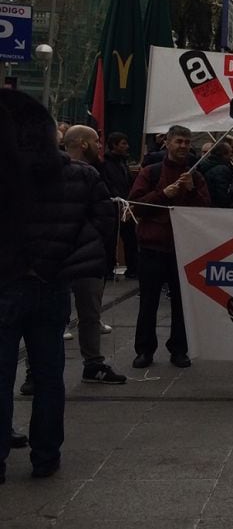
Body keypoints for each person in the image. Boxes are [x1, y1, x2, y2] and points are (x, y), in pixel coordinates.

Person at [0, 90, 114, 481]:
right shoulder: (81, 176)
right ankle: (45, 455)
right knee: (50, 375)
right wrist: (67, 259)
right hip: (51, 285)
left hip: (6, 284)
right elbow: (103, 225)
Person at [129, 125, 210, 369]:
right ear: (168, 143)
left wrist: (192, 191)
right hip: (153, 248)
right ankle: (144, 350)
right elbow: (136, 206)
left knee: (181, 303)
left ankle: (179, 349)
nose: (183, 146)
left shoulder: (195, 176)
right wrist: (163, 194)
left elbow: (206, 210)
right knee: (148, 303)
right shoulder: (150, 172)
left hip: (183, 249)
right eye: (179, 142)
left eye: (187, 142)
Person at [60, 127, 126, 385]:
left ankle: (93, 363)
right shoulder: (63, 173)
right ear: (82, 144)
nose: (100, 145)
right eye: (95, 141)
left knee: (90, 313)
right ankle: (37, 370)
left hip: (83, 258)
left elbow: (104, 216)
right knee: (54, 314)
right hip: (66, 258)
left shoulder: (97, 172)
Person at [100, 132, 137, 279]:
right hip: (113, 207)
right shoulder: (105, 164)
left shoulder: (123, 163)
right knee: (111, 239)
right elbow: (109, 185)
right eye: (123, 144)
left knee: (130, 238)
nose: (126, 147)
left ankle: (133, 268)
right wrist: (119, 200)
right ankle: (108, 269)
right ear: (114, 145)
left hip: (126, 206)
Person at [200, 141, 233, 208]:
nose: (231, 156)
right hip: (217, 207)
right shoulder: (222, 169)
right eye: (230, 153)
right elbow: (222, 194)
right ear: (224, 154)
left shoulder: (205, 164)